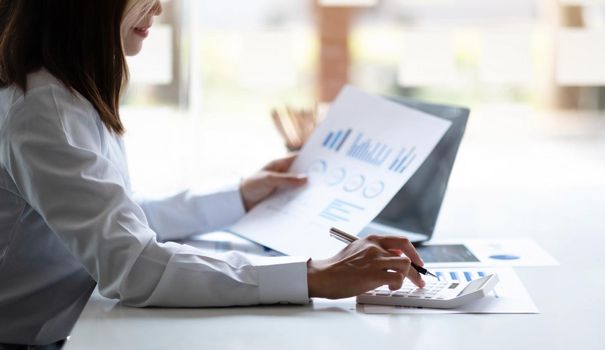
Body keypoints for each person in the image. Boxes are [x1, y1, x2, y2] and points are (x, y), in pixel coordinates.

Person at [0, 0, 426, 347]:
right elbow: (133, 266)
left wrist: (241, 195)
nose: (160, 8)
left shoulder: (63, 92)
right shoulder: (43, 111)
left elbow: (120, 218)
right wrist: (315, 274)